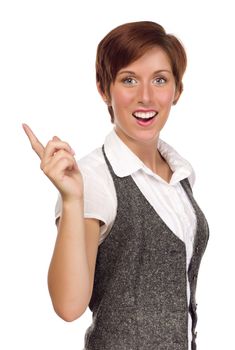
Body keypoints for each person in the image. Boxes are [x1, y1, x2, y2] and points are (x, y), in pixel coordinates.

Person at [23, 21, 209, 350]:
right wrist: (71, 200)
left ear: (177, 90)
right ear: (103, 88)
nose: (146, 97)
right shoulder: (93, 178)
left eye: (160, 80)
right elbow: (68, 306)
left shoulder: (181, 175)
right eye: (128, 80)